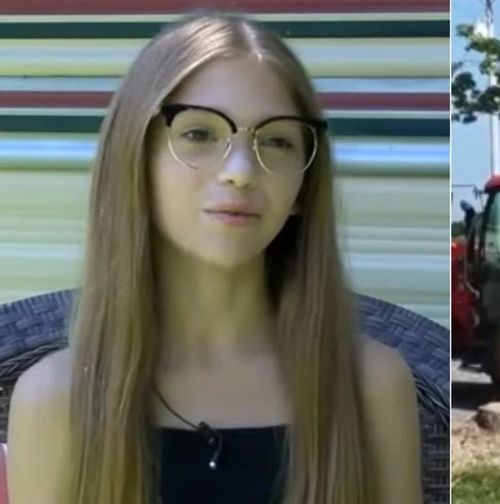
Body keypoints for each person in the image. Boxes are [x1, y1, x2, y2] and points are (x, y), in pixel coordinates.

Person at [5, 12, 421, 504]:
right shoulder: (55, 401)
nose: (242, 172)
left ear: (303, 187)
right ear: (134, 157)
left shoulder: (372, 388)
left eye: (277, 140)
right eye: (199, 134)